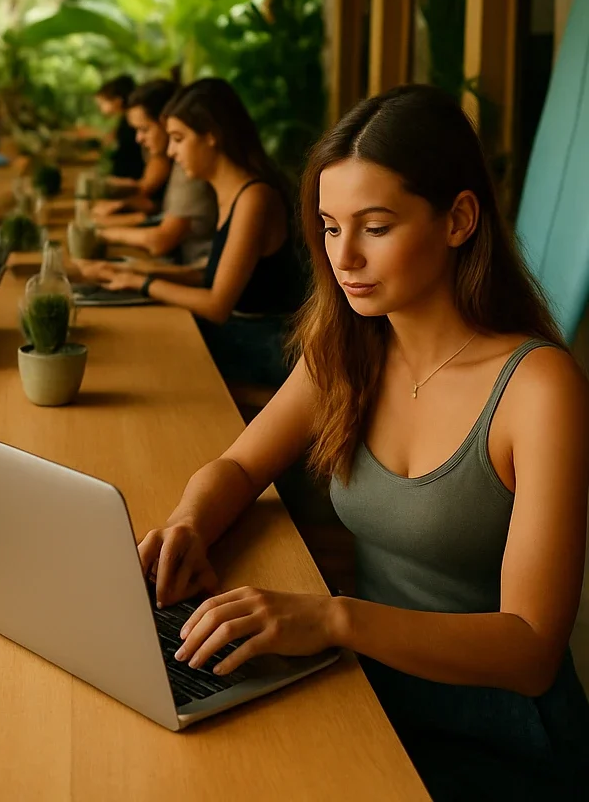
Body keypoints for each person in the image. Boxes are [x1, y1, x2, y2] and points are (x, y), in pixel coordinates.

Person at [139, 85, 589, 800]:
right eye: (327, 225)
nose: (342, 256)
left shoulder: (537, 389)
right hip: (369, 693)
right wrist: (191, 524)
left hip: (500, 735)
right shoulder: (346, 350)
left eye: (374, 228)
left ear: (459, 219)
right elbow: (238, 463)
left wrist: (332, 616)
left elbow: (531, 649)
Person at [82, 78, 305, 385]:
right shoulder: (229, 191)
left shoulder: (255, 197)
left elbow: (217, 304)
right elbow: (211, 274)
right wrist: (130, 272)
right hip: (237, 334)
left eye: (178, 138)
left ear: (211, 136)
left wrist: (142, 281)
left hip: (262, 345)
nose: (170, 152)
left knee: (137, 352)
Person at [94, 79, 217, 266]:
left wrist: (99, 232)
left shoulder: (191, 171)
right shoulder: (176, 163)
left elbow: (162, 240)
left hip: (191, 271)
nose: (138, 139)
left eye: (144, 129)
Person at [93, 79, 175, 223]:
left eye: (144, 129)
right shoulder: (161, 155)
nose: (138, 139)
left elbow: (144, 189)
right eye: (136, 130)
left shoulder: (185, 168)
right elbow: (157, 204)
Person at [95, 74, 143, 181]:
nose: (100, 108)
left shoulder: (128, 124)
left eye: (102, 103)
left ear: (117, 101)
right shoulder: (122, 122)